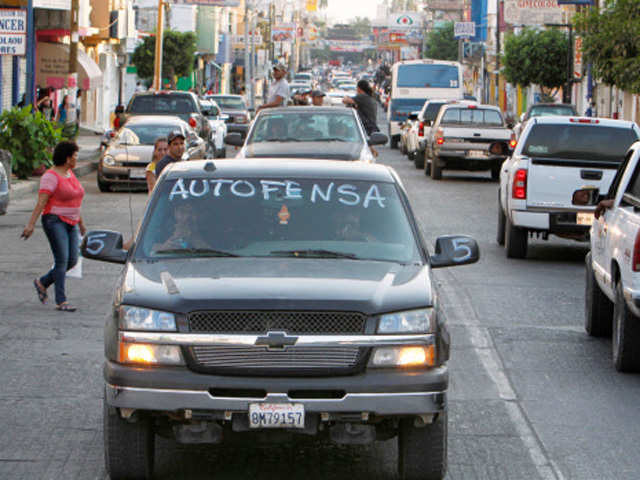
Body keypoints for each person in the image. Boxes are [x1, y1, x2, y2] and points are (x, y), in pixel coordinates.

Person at [22, 141, 86, 312]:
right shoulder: (50, 176)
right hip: (54, 220)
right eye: (74, 156)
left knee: (72, 260)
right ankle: (61, 300)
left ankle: (43, 282)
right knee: (62, 259)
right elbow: (41, 202)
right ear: (67, 158)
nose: (76, 159)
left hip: (72, 222)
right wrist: (31, 225)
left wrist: (81, 223)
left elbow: (76, 201)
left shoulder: (70, 173)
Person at [343, 79, 380, 156]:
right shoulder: (370, 97)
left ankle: (371, 152)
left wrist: (347, 97)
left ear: (359, 88)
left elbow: (345, 100)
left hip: (365, 125)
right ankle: (371, 150)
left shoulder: (362, 97)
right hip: (371, 125)